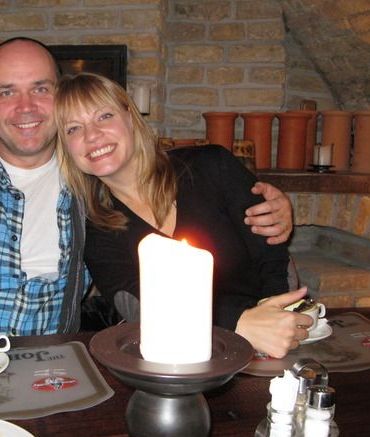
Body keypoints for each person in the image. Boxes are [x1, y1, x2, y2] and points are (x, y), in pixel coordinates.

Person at [0, 37, 294, 344]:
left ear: (59, 97)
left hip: (53, 369)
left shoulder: (90, 189)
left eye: (40, 88)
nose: (26, 106)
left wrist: (275, 206)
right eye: (7, 92)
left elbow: (161, 180)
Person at [53, 72, 312, 358]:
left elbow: (272, 254)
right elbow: (138, 304)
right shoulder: (94, 227)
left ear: (130, 117)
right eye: (73, 128)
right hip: (183, 355)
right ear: (66, 147)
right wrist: (239, 322)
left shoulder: (212, 166)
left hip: (271, 342)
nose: (91, 135)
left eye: (104, 116)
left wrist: (275, 317)